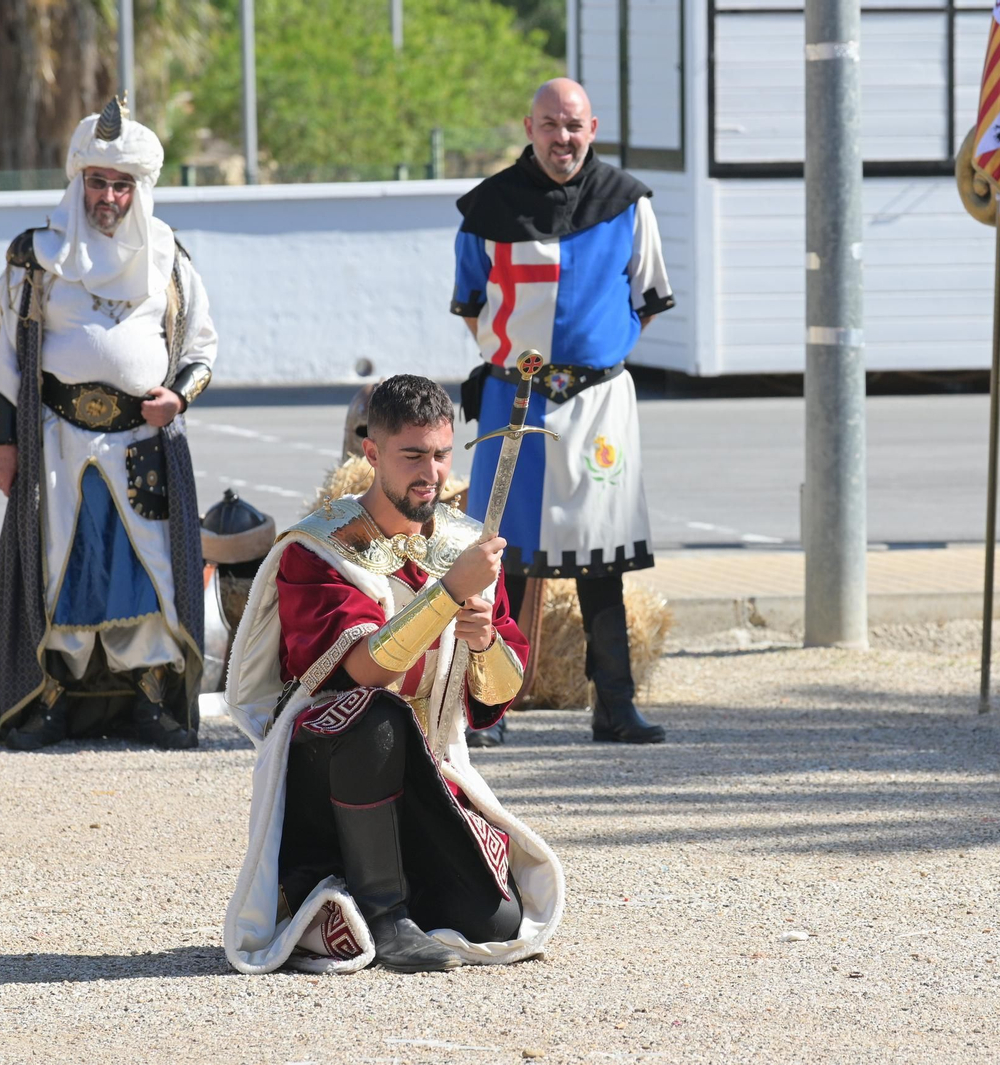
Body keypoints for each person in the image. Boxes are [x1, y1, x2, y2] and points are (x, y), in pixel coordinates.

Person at [221, 375, 562, 974]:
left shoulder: (467, 545)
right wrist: (451, 595)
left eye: (440, 454)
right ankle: (383, 914)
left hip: (428, 770)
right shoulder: (319, 550)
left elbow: (498, 698)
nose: (430, 472)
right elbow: (362, 669)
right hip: (327, 774)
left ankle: (378, 893)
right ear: (372, 454)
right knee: (376, 714)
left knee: (495, 923)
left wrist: (482, 645)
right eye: (412, 456)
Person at [0, 97, 218, 751]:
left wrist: (178, 400)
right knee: (61, 562)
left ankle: (151, 700)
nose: (108, 196)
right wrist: (2, 445)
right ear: (79, 183)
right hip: (57, 438)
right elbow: (4, 360)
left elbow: (201, 351)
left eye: (121, 184)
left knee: (147, 568)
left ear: (139, 189)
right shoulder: (36, 258)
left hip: (141, 443)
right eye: (97, 182)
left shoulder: (169, 259)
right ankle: (50, 699)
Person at [452, 77, 673, 748]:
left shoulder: (627, 204)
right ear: (529, 127)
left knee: (600, 559)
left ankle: (615, 706)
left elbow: (648, 294)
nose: (563, 138)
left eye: (574, 125)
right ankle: (486, 708)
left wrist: (598, 360)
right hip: (515, 397)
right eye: (550, 125)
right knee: (503, 557)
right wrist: (517, 366)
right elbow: (471, 303)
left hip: (601, 402)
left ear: (593, 127)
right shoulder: (487, 209)